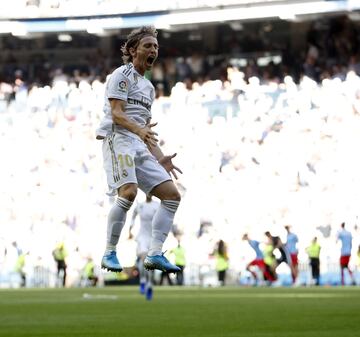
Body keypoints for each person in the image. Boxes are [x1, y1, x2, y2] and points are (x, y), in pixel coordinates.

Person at [96, 26, 182, 275]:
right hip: (119, 138)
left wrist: (160, 157)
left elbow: (146, 131)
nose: (153, 50)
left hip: (137, 141)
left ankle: (155, 253)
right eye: (148, 46)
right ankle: (110, 251)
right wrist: (140, 132)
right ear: (133, 50)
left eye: (155, 46)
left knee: (172, 196)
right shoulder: (122, 75)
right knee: (129, 191)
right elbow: (117, 114)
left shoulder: (148, 88)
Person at [129, 193, 159, 299]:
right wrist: (130, 229)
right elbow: (133, 216)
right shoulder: (140, 205)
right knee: (143, 259)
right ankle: (142, 280)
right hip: (142, 237)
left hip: (152, 237)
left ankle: (149, 284)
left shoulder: (157, 206)